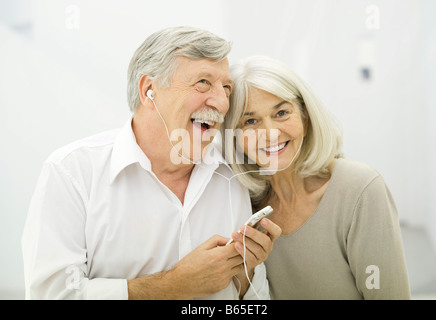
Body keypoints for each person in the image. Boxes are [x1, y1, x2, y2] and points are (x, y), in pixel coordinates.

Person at [21, 27, 281, 300]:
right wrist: (173, 285)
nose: (221, 103)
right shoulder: (72, 173)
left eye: (226, 88)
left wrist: (245, 272)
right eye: (203, 82)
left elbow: (255, 299)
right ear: (148, 91)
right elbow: (51, 295)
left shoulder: (233, 174)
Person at [221, 55, 411, 299]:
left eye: (281, 113)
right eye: (250, 121)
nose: (270, 134)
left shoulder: (360, 188)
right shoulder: (240, 203)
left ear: (305, 116)